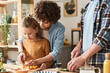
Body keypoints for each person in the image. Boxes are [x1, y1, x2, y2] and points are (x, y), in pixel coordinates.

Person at [18, 1, 65, 67]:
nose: (41, 25)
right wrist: (21, 52)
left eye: (45, 22)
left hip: (48, 65)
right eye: (39, 20)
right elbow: (21, 39)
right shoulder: (33, 21)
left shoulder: (59, 29)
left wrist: (38, 61)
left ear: (52, 21)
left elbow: (56, 52)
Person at [67, 0, 110, 72]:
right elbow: (87, 33)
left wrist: (82, 57)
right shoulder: (88, 6)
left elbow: (103, 37)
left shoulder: (107, 4)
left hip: (102, 65)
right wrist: (79, 46)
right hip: (88, 64)